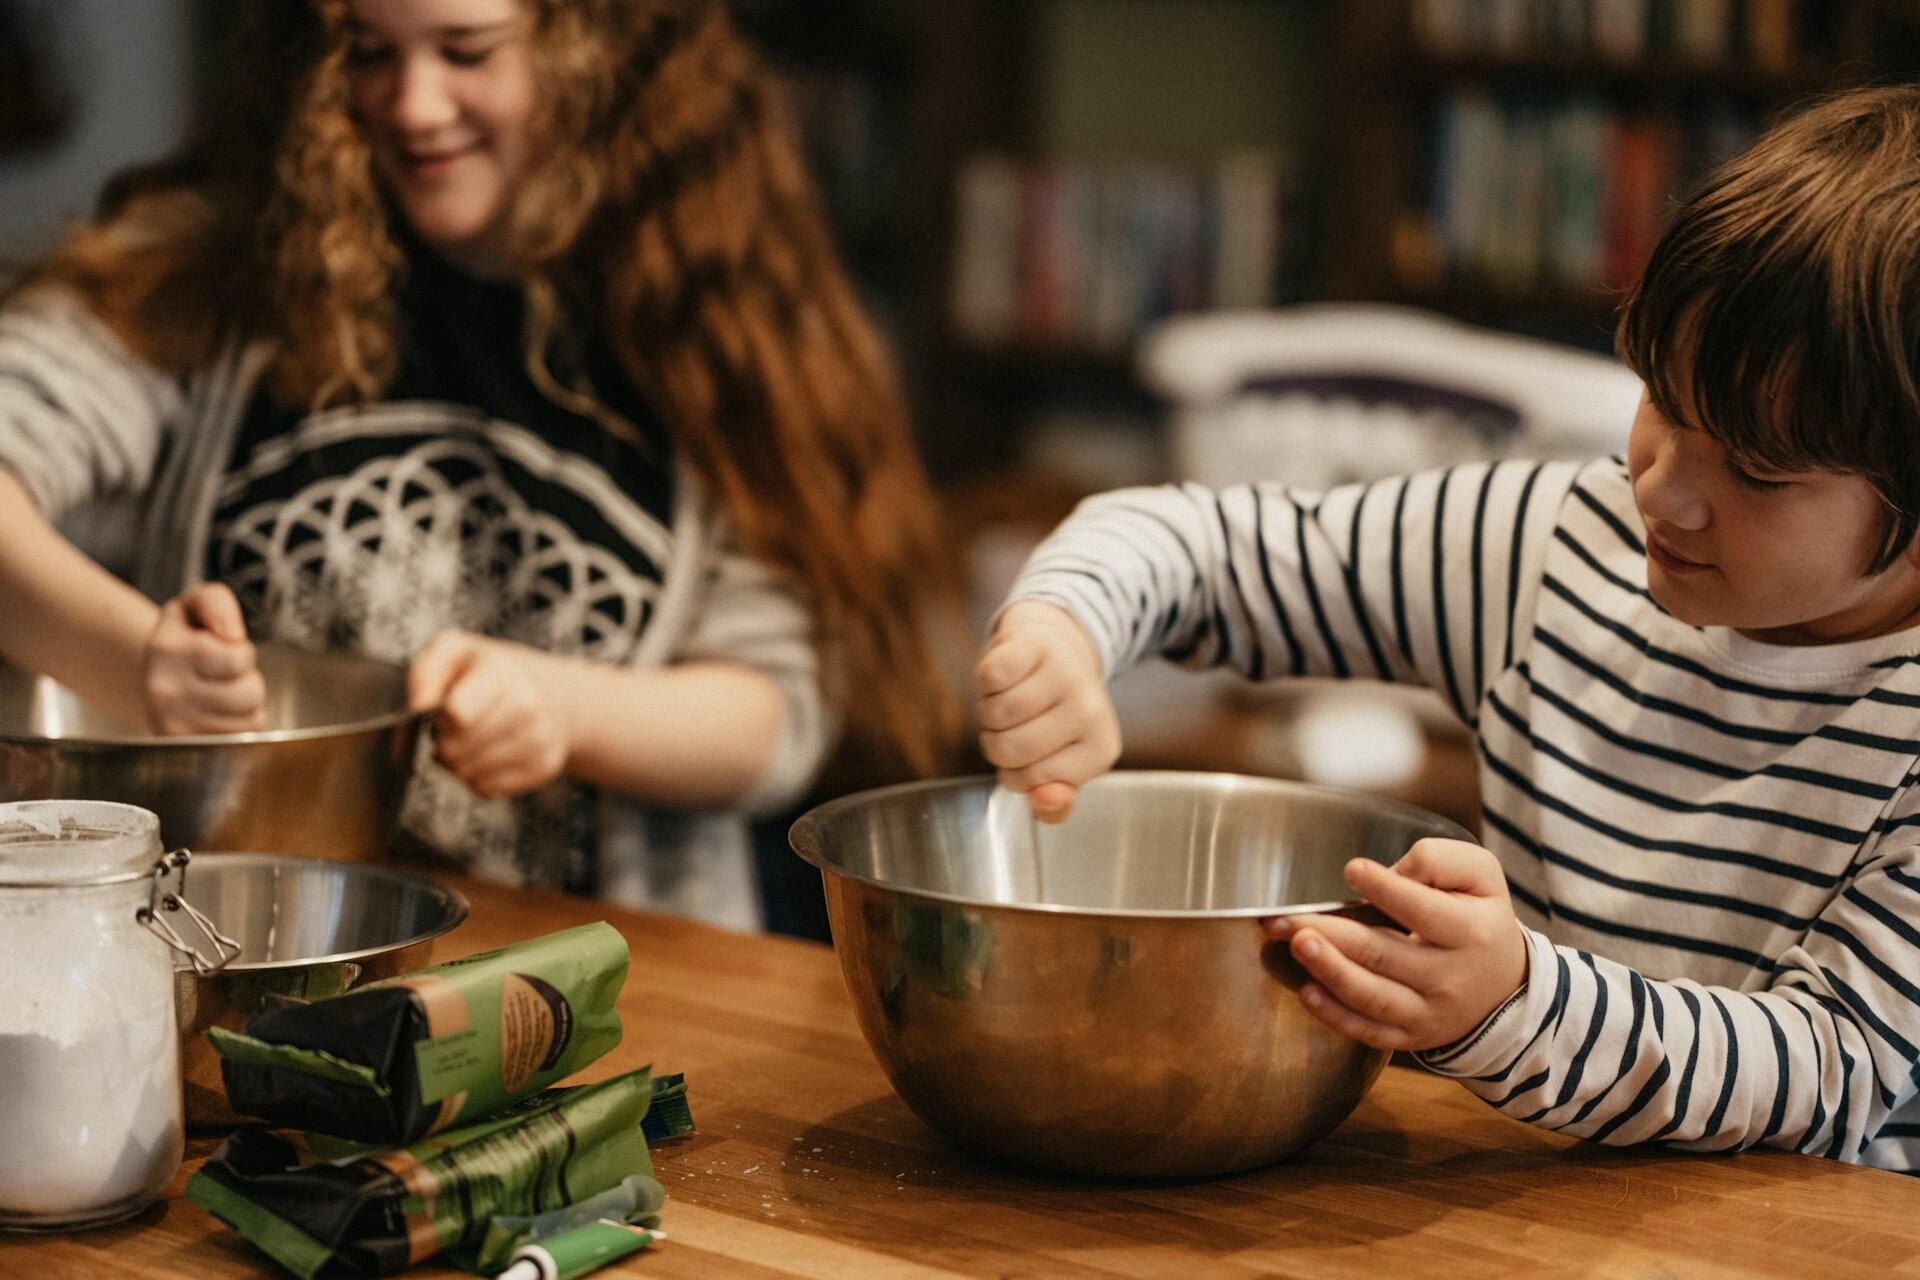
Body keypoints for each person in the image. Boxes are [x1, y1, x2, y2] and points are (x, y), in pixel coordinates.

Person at [977, 84, 1920, 1169]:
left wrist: (1516, 998)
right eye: (1664, 398)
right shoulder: (1550, 546)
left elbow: (1833, 1070)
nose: (1664, 492)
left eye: (1755, 471)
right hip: (1538, 1213)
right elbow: (1200, 546)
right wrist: (1065, 624)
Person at [0, 0, 957, 928]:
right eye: (369, 51)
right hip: (225, 946)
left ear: (590, 48)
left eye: (467, 49)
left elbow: (776, 719)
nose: (412, 105)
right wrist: (137, 662)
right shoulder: (210, 269)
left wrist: (563, 709)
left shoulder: (709, 315)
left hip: (593, 987)